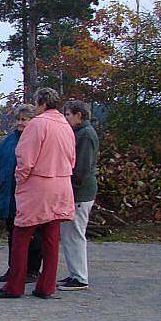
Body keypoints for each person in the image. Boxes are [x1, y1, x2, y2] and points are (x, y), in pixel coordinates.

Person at [0, 88, 76, 299]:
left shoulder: (38, 124)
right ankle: (46, 286)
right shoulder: (66, 126)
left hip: (39, 186)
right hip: (61, 184)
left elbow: (25, 159)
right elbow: (72, 159)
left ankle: (15, 286)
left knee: (21, 237)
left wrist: (20, 181)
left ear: (42, 103)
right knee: (51, 239)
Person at [0, 104, 43, 284]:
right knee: (12, 232)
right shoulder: (9, 140)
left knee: (33, 234)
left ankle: (32, 269)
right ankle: (14, 267)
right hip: (8, 193)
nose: (20, 123)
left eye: (24, 119)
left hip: (29, 194)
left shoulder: (36, 140)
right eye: (18, 119)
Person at [58, 100, 99, 291]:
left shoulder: (86, 135)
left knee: (74, 233)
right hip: (76, 191)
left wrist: (70, 187)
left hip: (80, 193)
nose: (66, 118)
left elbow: (81, 168)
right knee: (68, 233)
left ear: (78, 115)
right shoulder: (79, 133)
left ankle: (80, 276)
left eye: (68, 114)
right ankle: (75, 273)